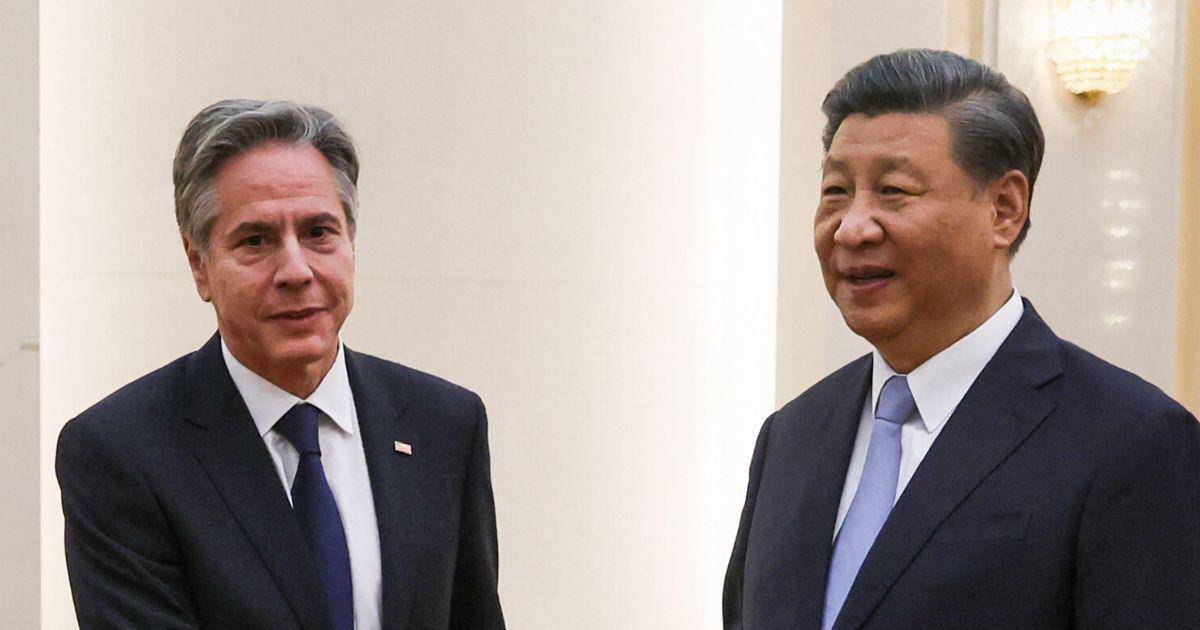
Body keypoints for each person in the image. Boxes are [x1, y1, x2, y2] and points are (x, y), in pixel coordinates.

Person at [723, 49, 1200, 630]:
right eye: (836, 191)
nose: (851, 227)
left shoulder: (1131, 440)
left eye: (894, 190)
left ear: (1004, 210)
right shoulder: (791, 437)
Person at [56, 100, 506, 630]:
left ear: (351, 244)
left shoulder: (442, 424)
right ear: (200, 264)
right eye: (256, 240)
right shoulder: (122, 453)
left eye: (319, 232)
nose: (296, 270)